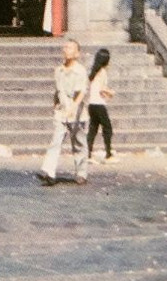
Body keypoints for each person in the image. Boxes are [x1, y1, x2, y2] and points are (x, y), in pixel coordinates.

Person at [37, 37, 89, 185]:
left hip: (76, 112)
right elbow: (58, 90)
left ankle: (81, 172)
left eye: (70, 48)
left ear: (77, 53)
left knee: (79, 142)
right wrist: (55, 104)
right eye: (65, 47)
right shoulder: (59, 70)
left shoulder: (79, 71)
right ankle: (49, 171)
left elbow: (81, 93)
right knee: (56, 141)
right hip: (61, 111)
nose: (66, 50)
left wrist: (73, 108)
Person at [86, 47, 116, 162]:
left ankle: (88, 153)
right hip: (99, 104)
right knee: (107, 128)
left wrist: (106, 94)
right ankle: (108, 154)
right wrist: (111, 92)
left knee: (93, 129)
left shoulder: (94, 72)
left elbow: (96, 88)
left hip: (92, 104)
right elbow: (102, 89)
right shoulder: (102, 72)